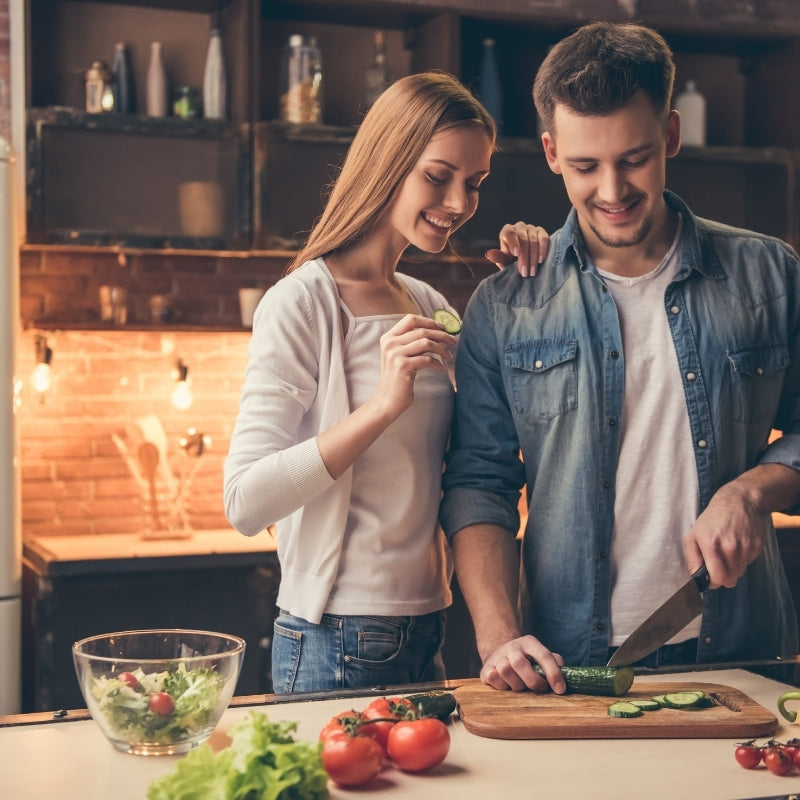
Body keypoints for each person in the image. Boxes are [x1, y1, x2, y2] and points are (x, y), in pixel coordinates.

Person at [440, 21, 800, 695]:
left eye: (633, 158)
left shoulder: (769, 273)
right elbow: (479, 483)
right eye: (585, 166)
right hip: (569, 666)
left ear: (669, 135)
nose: (612, 190)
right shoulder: (505, 304)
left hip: (747, 656)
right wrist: (497, 637)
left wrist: (753, 491)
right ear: (551, 152)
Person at [224, 71, 547, 693]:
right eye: (438, 175)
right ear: (389, 160)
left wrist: (527, 287)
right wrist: (382, 404)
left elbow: (481, 453)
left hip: (428, 621)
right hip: (333, 631)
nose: (458, 202)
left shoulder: (426, 300)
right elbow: (245, 502)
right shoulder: (303, 303)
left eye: (473, 184)